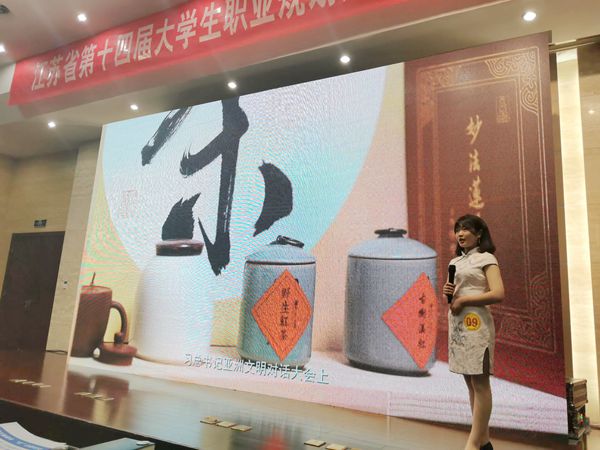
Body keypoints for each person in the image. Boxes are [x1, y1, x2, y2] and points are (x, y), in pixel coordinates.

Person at [443, 214, 504, 450]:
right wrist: (449, 293)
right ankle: (484, 441)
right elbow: (455, 297)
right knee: (470, 383)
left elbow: (498, 293)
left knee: (480, 383)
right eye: (457, 229)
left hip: (477, 325)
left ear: (479, 234)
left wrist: (465, 299)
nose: (460, 233)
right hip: (459, 325)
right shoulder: (455, 262)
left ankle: (473, 442)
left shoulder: (486, 258)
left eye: (466, 229)